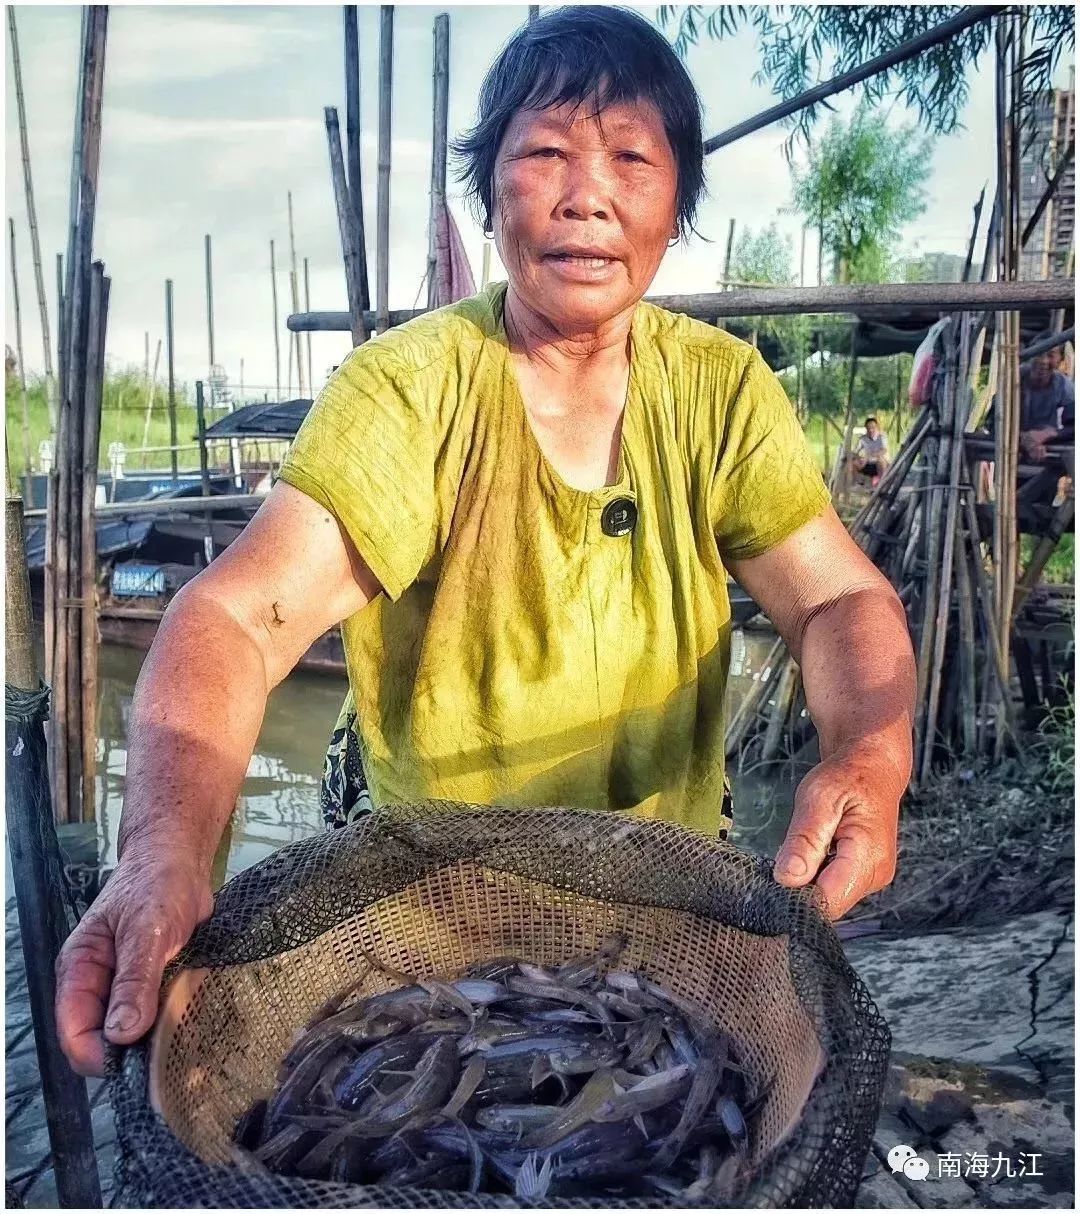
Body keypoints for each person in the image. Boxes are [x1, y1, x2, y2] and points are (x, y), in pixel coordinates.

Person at [55, 6, 916, 1078]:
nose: (585, 195)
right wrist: (161, 851)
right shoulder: (406, 390)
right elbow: (235, 616)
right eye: (545, 152)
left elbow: (837, 600)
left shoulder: (722, 389)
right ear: (491, 184)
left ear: (677, 202)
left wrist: (870, 757)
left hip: (665, 910)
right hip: (429, 928)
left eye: (632, 160)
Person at [1019, 341, 1075, 463]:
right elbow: (992, 422)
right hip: (1011, 451)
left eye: (1051, 355)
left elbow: (1074, 427)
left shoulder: (1064, 385)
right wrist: (1024, 438)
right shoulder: (1014, 379)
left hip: (1049, 452)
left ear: (1059, 360)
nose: (1044, 361)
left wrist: (1046, 434)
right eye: (1039, 354)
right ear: (1030, 356)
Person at [852, 417, 890, 483]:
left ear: (877, 427)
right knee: (853, 462)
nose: (871, 430)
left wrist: (869, 456)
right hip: (868, 463)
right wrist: (859, 458)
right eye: (868, 428)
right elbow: (855, 451)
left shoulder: (882, 437)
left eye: (873, 427)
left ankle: (882, 483)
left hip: (880, 463)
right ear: (866, 428)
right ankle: (858, 482)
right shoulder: (863, 439)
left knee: (880, 461)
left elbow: (884, 450)